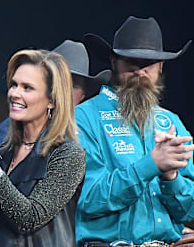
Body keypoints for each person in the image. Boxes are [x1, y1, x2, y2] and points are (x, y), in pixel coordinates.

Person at [75, 16, 194, 245]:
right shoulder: (85, 118)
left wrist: (171, 177)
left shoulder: (172, 122)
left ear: (161, 66)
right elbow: (89, 199)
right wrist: (152, 164)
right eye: (131, 61)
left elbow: (189, 212)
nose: (140, 71)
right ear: (113, 62)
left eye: (148, 63)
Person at [0, 49, 86, 246]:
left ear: (51, 100)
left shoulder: (68, 154)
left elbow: (29, 218)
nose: (15, 94)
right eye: (14, 85)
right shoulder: (3, 149)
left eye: (27, 88)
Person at [0, 39, 111, 149]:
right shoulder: (8, 131)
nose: (64, 92)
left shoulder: (93, 136)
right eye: (60, 84)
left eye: (73, 86)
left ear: (83, 95)